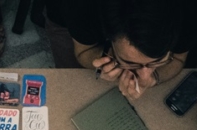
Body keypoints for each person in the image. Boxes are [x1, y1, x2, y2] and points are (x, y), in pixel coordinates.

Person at [45, 0, 197, 100]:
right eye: (130, 62)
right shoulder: (80, 7)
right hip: (68, 14)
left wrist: (156, 77)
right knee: (69, 83)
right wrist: (100, 62)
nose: (144, 75)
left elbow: (178, 58)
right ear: (110, 39)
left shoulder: (189, 11)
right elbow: (84, 51)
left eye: (157, 61)